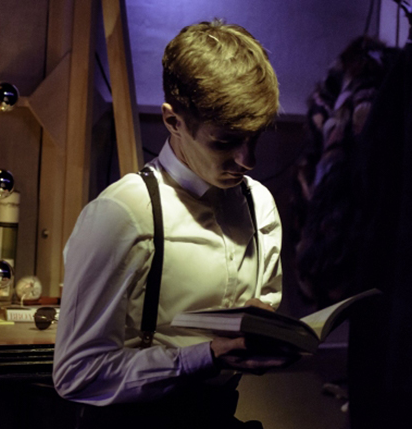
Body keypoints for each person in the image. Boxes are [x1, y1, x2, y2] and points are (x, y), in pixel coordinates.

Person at [52, 19, 295, 427]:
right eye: (225, 142)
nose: (248, 160)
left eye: (255, 137)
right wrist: (206, 356)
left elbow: (259, 317)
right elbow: (78, 374)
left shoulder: (260, 205)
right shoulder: (122, 214)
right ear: (173, 121)